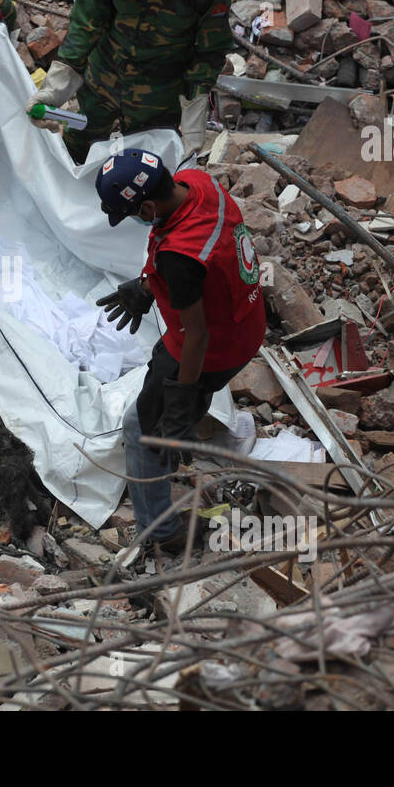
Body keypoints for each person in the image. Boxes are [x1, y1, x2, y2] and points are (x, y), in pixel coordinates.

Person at [94, 149, 266, 552]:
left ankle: (162, 533)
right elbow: (207, 263)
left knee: (143, 428)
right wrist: (147, 286)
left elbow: (197, 336)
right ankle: (187, 421)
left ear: (149, 206)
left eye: (135, 213)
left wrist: (179, 400)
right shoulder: (199, 183)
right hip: (246, 322)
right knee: (165, 414)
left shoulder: (177, 256)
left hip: (214, 345)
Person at [27, 0, 236, 166]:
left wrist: (192, 120)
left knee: (142, 170)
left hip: (158, 97)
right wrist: (56, 87)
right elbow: (86, 21)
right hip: (102, 79)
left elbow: (209, 54)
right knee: (77, 144)